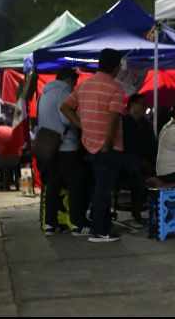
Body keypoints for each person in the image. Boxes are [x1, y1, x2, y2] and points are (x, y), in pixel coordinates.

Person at [61, 48, 126, 243]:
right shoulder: (115, 88)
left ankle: (103, 226)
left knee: (99, 186)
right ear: (116, 67)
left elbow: (64, 107)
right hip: (108, 146)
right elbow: (113, 119)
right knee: (103, 188)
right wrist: (107, 145)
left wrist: (82, 125)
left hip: (89, 144)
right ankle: (99, 230)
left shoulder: (84, 86)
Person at [38, 68, 90, 236]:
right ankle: (77, 224)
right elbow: (65, 118)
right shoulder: (63, 91)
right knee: (77, 183)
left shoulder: (44, 94)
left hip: (49, 147)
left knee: (54, 184)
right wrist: (81, 120)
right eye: (74, 83)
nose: (74, 87)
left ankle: (50, 224)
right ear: (68, 80)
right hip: (65, 146)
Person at [120, 93, 156, 222]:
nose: (144, 108)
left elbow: (152, 146)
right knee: (134, 164)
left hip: (143, 161)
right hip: (126, 162)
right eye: (142, 105)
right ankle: (137, 210)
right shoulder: (123, 123)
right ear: (132, 105)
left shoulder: (146, 125)